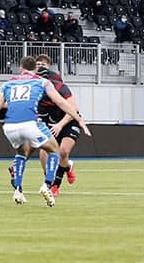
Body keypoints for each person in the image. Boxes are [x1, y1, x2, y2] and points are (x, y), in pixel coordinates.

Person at [0, 56, 90, 206]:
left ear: (20, 68)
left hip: (9, 126)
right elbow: (61, 102)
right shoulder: (42, 82)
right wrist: (79, 119)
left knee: (22, 153)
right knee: (54, 151)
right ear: (35, 69)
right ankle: (48, 185)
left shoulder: (7, 83)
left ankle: (18, 191)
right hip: (30, 123)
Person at [35, 54, 81, 197]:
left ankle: (56, 185)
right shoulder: (36, 91)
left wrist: (60, 125)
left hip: (69, 120)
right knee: (43, 152)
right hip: (51, 122)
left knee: (63, 152)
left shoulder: (59, 86)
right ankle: (50, 179)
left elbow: (74, 110)